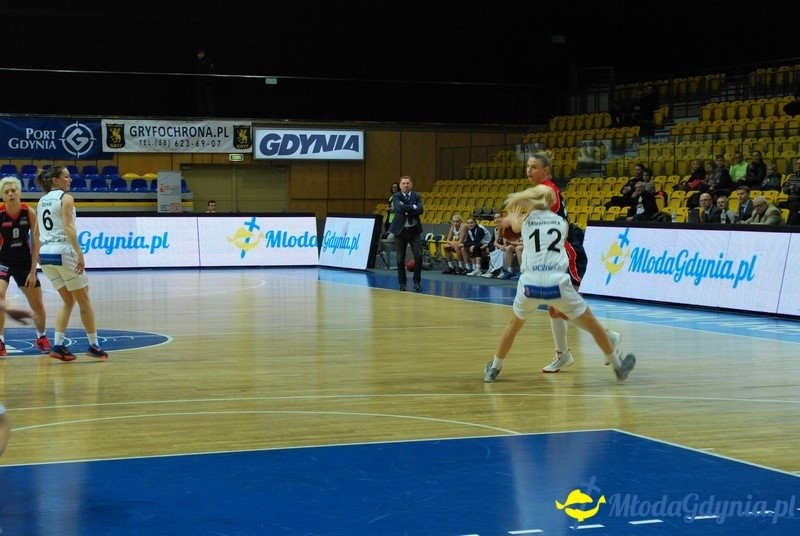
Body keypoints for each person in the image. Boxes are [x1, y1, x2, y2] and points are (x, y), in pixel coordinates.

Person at [483, 184, 635, 382]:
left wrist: (510, 220)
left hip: (530, 284)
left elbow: (512, 230)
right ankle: (618, 366)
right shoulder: (562, 223)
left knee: (513, 326)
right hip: (556, 284)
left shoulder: (526, 222)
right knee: (593, 324)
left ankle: (494, 368)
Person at [517, 152, 588, 373]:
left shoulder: (546, 191)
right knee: (554, 307)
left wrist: (513, 223)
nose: (529, 171)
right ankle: (563, 353)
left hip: (568, 251)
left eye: (533, 167)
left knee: (562, 307)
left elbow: (524, 222)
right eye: (527, 166)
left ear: (546, 170)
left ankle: (605, 336)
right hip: (556, 252)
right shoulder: (541, 190)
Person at [33, 166, 109, 361]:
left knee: (68, 300)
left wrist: (37, 254)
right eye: (66, 177)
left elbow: (36, 233)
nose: (71, 180)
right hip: (63, 250)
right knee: (84, 300)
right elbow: (68, 227)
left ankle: (58, 345)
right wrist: (79, 253)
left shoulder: (41, 201)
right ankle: (94, 345)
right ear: (56, 180)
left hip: (46, 253)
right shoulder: (65, 198)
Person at [0, 177, 52, 355]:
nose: (10, 194)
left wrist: (32, 271)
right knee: (0, 298)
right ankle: (0, 341)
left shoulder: (29, 212)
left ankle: (41, 337)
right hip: (3, 261)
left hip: (24, 262)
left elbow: (36, 242)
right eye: (6, 192)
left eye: (13, 190)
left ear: (20, 193)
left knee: (37, 304)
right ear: (3, 196)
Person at [387, 175, 424, 291]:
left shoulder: (416, 196)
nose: (406, 185)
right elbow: (399, 208)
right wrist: (413, 207)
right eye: (403, 183)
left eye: (408, 183)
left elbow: (420, 210)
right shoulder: (396, 196)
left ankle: (417, 282)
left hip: (414, 230)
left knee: (418, 256)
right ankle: (402, 283)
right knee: (400, 258)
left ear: (411, 185)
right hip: (400, 231)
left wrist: (407, 207)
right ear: (400, 185)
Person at [194, 47, 216, 116]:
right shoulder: (199, 61)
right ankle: (201, 113)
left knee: (208, 98)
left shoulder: (208, 60)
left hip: (207, 83)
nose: (198, 56)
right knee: (199, 97)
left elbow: (211, 70)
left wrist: (208, 79)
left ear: (202, 53)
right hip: (200, 83)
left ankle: (211, 114)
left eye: (199, 54)